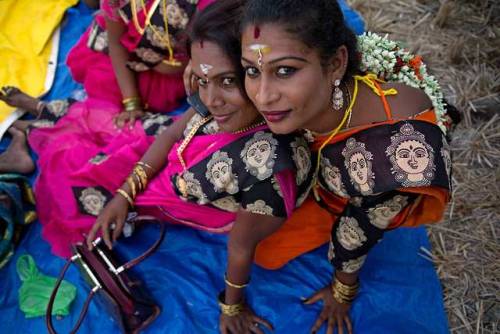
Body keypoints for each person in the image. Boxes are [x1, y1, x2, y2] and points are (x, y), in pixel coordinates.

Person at [34, 2, 310, 333]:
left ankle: (32, 129)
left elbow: (241, 246)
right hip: (174, 160)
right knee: (109, 132)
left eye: (226, 81)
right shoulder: (219, 99)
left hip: (175, 193)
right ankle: (35, 119)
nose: (211, 99)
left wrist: (231, 307)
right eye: (200, 79)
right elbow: (172, 132)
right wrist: (126, 192)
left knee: (71, 183)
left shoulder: (268, 171)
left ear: (257, 74)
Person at [240, 1, 452, 333]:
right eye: (252, 70)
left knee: (265, 250)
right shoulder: (308, 95)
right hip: (324, 175)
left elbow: (357, 231)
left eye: (285, 71)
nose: (263, 96)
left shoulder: (396, 154)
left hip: (357, 199)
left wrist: (343, 292)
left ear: (337, 63)